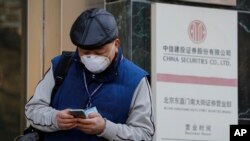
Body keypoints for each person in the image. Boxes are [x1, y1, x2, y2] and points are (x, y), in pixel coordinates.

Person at [25, 8, 155, 141]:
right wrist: (55, 119)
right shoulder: (61, 66)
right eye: (85, 52)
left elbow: (144, 134)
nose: (92, 57)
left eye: (99, 52)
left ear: (116, 44)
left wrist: (105, 128)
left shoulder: (136, 79)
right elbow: (32, 109)